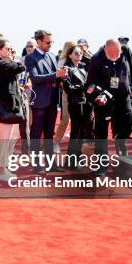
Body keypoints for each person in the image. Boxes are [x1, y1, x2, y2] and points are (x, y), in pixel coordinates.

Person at [85, 39, 132, 171]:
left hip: (123, 96)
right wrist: (97, 95)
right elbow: (90, 84)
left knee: (128, 123)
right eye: (112, 55)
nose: (116, 58)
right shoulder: (96, 59)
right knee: (101, 132)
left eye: (118, 54)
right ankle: (101, 164)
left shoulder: (126, 51)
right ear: (105, 50)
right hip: (104, 98)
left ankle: (119, 140)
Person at [25, 29, 66, 172]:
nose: (50, 44)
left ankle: (51, 164)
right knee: (36, 134)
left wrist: (62, 76)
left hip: (52, 100)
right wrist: (56, 75)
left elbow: (56, 76)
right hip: (40, 101)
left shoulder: (51, 56)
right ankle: (36, 165)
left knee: (49, 134)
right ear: (39, 41)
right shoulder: (30, 58)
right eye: (48, 42)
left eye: (51, 42)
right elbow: (35, 78)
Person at [0, 39, 26, 180]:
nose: (10, 52)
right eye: (8, 49)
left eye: (11, 49)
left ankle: (5, 168)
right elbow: (20, 67)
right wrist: (13, 59)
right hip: (4, 107)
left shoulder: (4, 64)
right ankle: (2, 171)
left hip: (11, 106)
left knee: (11, 139)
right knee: (4, 139)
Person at [62, 43, 91, 167]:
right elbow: (68, 88)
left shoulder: (83, 67)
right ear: (69, 55)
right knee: (75, 132)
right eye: (76, 53)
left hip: (85, 102)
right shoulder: (66, 68)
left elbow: (94, 62)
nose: (79, 55)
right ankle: (70, 161)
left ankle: (76, 159)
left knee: (82, 132)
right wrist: (82, 87)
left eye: (80, 53)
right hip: (75, 103)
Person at [54, 41, 77, 151]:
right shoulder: (62, 61)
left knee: (74, 119)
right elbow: (59, 79)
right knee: (66, 119)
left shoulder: (78, 59)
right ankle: (56, 142)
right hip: (67, 93)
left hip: (77, 94)